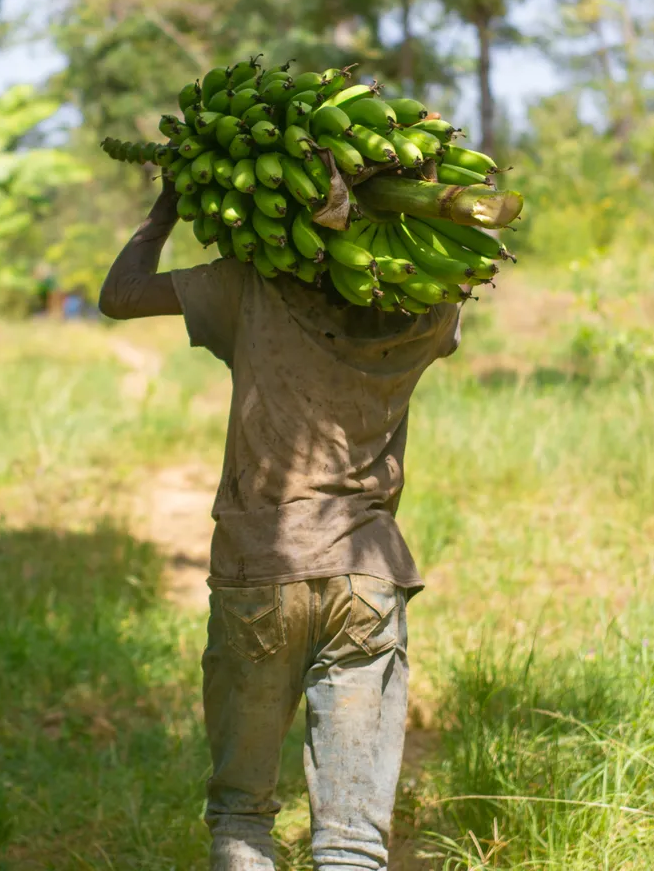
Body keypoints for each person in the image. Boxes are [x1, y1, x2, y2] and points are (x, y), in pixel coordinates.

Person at [99, 176, 461, 871]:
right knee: (354, 842)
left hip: (260, 569)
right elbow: (447, 305)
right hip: (368, 579)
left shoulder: (250, 287)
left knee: (241, 815)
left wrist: (165, 205)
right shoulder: (429, 310)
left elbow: (121, 295)